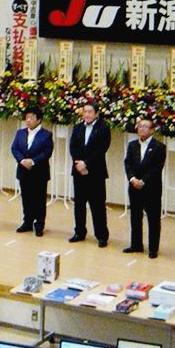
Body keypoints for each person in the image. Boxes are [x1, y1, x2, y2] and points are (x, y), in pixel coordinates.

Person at [68, 104, 111, 246]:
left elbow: (101, 149)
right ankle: (79, 232)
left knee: (97, 205)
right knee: (79, 204)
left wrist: (86, 163)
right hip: (78, 171)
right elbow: (73, 147)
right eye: (85, 111)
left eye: (90, 112)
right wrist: (79, 163)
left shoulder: (103, 128)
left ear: (96, 113)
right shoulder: (78, 127)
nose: (86, 114)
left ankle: (101, 235)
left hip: (96, 172)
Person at [124, 117, 166, 258]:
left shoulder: (159, 147)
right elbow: (127, 164)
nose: (141, 129)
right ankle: (136, 245)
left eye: (145, 126)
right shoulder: (132, 145)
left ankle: (153, 248)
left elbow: (157, 168)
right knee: (135, 217)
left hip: (151, 188)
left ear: (152, 130)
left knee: (153, 219)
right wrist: (132, 179)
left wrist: (143, 181)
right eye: (140, 126)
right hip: (134, 186)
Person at [11, 107, 54, 236]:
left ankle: (39, 224)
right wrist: (22, 160)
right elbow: (14, 148)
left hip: (39, 172)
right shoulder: (20, 133)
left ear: (39, 120)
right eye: (27, 117)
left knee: (39, 200)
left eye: (32, 118)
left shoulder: (46, 135)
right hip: (23, 170)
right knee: (26, 198)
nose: (28, 120)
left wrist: (33, 161)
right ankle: (27, 222)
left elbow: (47, 152)